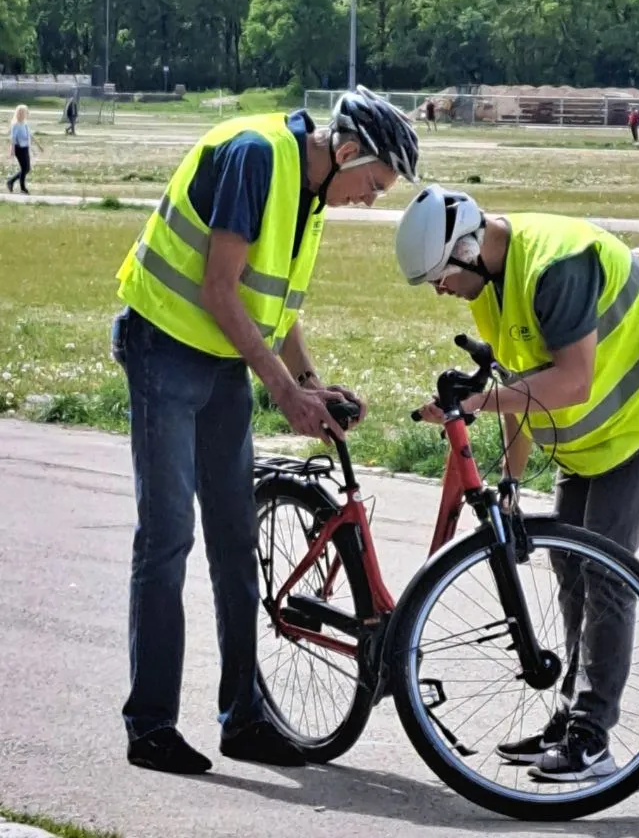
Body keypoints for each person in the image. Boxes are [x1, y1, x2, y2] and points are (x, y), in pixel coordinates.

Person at [110, 87, 419, 776]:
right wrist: (280, 390)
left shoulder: (311, 190)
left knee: (234, 537)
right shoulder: (258, 157)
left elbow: (270, 300)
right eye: (371, 185)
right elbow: (221, 288)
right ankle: (151, 725)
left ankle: (242, 717)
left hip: (221, 358)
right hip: (164, 344)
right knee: (167, 538)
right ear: (345, 151)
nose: (369, 200)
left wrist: (310, 383)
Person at [395, 186, 639, 783]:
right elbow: (519, 384)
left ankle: (592, 739)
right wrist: (511, 484)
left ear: (466, 249)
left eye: (439, 277)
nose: (439, 291)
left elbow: (571, 381)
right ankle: (571, 716)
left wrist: (479, 401)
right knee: (568, 565)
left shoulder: (554, 268)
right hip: (593, 433)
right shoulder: (490, 284)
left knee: (606, 572)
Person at [7, 105, 43, 194]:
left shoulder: (25, 124)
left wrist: (39, 145)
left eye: (25, 113)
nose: (24, 114)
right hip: (19, 148)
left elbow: (30, 135)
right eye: (22, 113)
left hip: (25, 148)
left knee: (27, 169)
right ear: (18, 113)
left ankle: (10, 181)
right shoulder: (15, 124)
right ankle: (23, 188)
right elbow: (13, 138)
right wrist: (12, 150)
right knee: (24, 168)